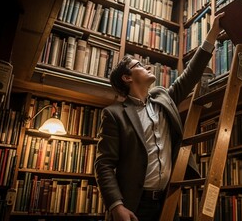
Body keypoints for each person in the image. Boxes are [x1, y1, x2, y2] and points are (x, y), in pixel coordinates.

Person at [94, 12, 225, 221]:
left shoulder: (163, 98)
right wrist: (116, 206)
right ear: (127, 77)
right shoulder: (114, 114)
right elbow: (104, 164)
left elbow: (190, 75)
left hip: (167, 201)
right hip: (133, 205)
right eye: (138, 65)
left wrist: (212, 35)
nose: (146, 66)